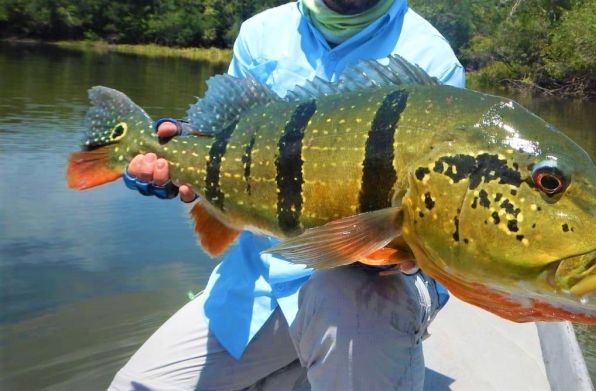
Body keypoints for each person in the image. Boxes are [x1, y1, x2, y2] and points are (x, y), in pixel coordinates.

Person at [110, 0, 465, 389]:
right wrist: (175, 150)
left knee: (348, 291)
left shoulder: (431, 58)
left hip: (371, 293)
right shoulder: (260, 33)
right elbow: (221, 138)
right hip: (254, 284)